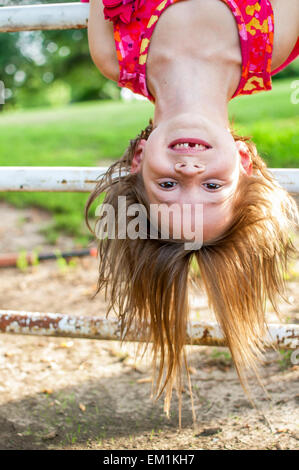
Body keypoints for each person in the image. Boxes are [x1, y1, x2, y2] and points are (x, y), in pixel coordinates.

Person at [83, 0, 299, 422]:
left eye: (166, 186)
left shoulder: (111, 53)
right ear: (244, 163)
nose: (189, 170)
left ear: (138, 159)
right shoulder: (274, 42)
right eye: (213, 187)